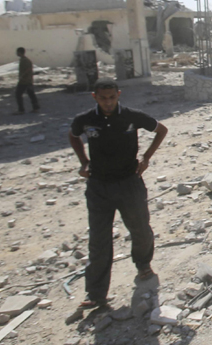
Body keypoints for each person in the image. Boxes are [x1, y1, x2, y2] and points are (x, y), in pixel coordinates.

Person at [68, 79, 168, 309]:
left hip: (129, 183)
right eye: (103, 98)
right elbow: (73, 135)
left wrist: (146, 157)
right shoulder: (85, 120)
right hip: (98, 186)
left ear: (118, 95)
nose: (108, 102)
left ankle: (143, 265)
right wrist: (83, 162)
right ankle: (96, 293)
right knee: (99, 240)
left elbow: (161, 130)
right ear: (95, 97)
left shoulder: (131, 116)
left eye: (112, 97)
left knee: (141, 229)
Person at [13, 47, 40, 115]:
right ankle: (35, 108)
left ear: (19, 52)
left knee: (18, 94)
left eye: (17, 52)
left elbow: (27, 69)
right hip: (28, 80)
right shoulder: (25, 60)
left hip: (24, 81)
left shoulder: (24, 60)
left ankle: (21, 110)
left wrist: (22, 76)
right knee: (31, 94)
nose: (16, 53)